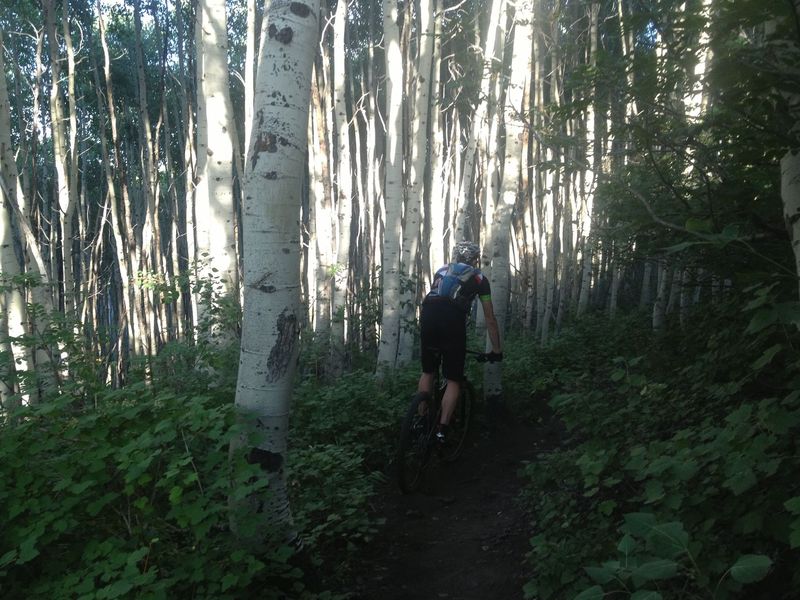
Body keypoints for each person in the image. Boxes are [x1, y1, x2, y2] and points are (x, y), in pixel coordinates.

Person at [417, 241, 503, 444]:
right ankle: (441, 431)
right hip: (452, 322)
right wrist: (496, 350)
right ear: (475, 259)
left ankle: (420, 421)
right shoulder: (480, 278)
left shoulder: (442, 270)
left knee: (428, 371)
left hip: (428, 315)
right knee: (454, 379)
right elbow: (490, 318)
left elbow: (438, 297)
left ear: (455, 257)